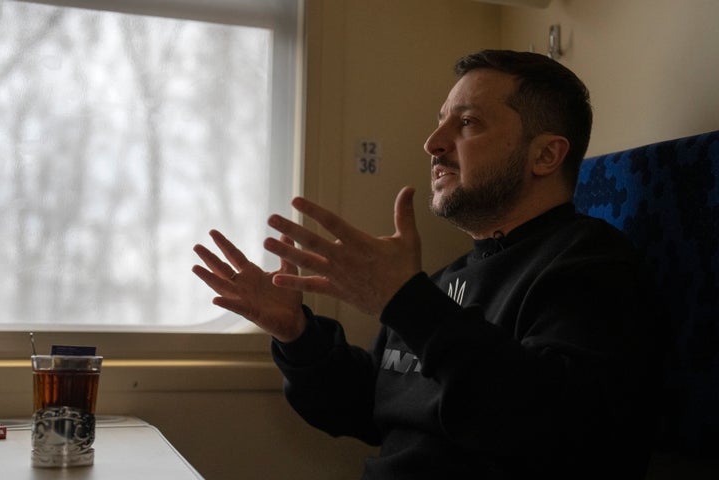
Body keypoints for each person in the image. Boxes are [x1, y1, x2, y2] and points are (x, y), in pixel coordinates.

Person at [192, 50, 661, 479]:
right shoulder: (444, 280)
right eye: (440, 123)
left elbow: (547, 425)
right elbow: (367, 409)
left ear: (544, 154)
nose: (433, 143)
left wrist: (407, 302)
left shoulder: (590, 264)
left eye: (468, 123)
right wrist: (296, 334)